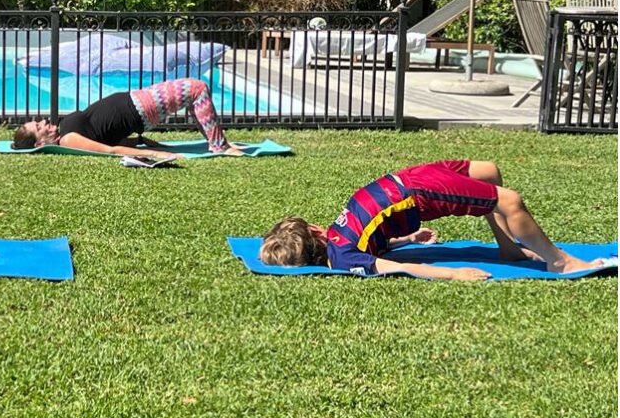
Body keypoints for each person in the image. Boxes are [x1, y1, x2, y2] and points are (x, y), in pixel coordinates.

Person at [258, 159, 605, 280]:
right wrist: (452, 273)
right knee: (509, 200)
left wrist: (405, 241)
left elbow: (373, 242)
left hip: (408, 179)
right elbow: (391, 268)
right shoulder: (341, 254)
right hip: (416, 190)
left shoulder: (341, 243)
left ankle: (508, 250)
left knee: (489, 172)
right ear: (315, 232)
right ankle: (561, 263)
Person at [12, 78, 243, 158]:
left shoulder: (64, 130)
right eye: (38, 126)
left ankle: (216, 142)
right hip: (138, 109)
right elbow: (110, 151)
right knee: (197, 89)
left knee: (194, 93)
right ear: (40, 143)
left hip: (137, 101)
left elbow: (106, 137)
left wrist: (137, 141)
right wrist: (154, 154)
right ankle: (218, 146)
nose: (43, 121)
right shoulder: (68, 140)